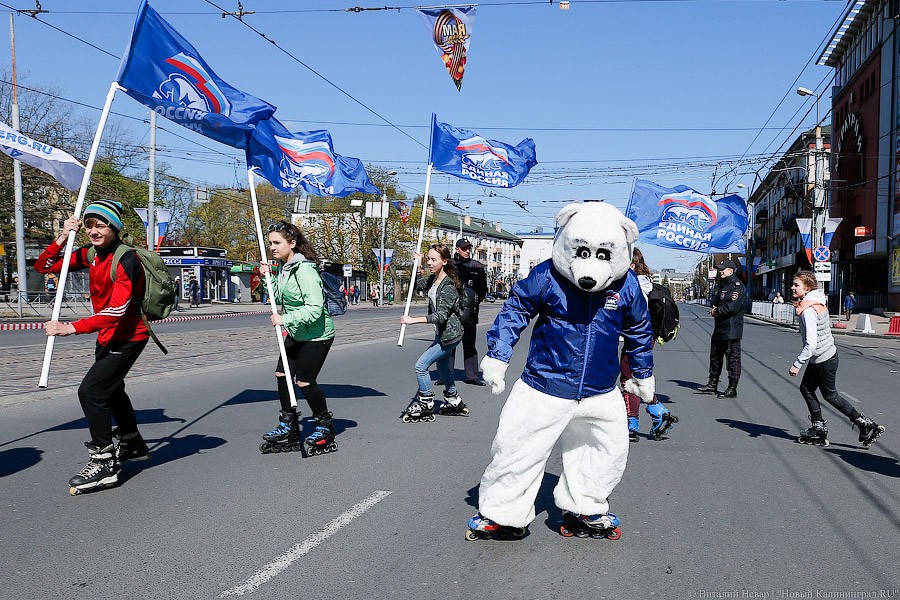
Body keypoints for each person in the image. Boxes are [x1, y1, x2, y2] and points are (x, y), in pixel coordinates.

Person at [35, 200, 152, 494]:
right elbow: (43, 267)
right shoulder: (90, 254)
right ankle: (133, 444)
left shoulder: (127, 260)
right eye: (89, 225)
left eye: (100, 225)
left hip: (129, 336)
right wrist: (63, 237)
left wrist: (71, 327)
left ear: (115, 227)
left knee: (91, 392)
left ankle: (103, 462)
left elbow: (117, 310)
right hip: (107, 337)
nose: (93, 231)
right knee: (112, 390)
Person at [258, 220, 338, 455]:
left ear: (292, 243)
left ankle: (324, 426)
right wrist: (267, 278)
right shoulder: (284, 267)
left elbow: (315, 309)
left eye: (277, 243)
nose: (272, 247)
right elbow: (279, 296)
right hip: (297, 331)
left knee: (304, 381)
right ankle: (289, 425)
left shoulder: (304, 270)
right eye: (270, 243)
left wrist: (285, 319)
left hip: (318, 334)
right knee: (282, 374)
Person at [789, 271, 884, 448]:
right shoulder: (817, 300)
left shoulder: (808, 310)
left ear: (807, 288)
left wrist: (797, 363)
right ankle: (819, 425)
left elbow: (811, 343)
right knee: (807, 388)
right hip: (825, 354)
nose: (792, 287)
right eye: (793, 284)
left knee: (830, 395)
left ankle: (863, 423)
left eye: (796, 285)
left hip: (823, 358)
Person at [399, 244, 468, 422]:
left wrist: (413, 320)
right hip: (442, 334)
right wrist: (418, 266)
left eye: (433, 260)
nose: (430, 262)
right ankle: (453, 399)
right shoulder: (433, 279)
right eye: (428, 259)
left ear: (444, 261)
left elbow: (441, 316)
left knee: (421, 366)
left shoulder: (448, 285)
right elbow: (418, 285)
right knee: (443, 368)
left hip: (450, 335)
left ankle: (426, 401)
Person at [620, 248, 677, 441]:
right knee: (637, 378)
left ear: (631, 265)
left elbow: (631, 315)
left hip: (637, 339)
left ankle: (633, 423)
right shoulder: (644, 283)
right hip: (642, 338)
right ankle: (656, 413)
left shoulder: (635, 285)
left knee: (629, 380)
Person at [696, 259, 746, 398]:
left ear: (731, 271)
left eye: (723, 269)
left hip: (731, 329)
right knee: (715, 356)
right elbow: (716, 301)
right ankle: (712, 383)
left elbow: (731, 307)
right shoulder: (722, 285)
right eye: (719, 269)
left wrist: (717, 311)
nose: (720, 271)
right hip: (719, 327)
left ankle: (732, 388)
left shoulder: (737, 287)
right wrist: (715, 308)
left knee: (732, 359)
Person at [452, 238, 488, 386]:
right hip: (452, 313)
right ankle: (446, 375)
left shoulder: (477, 266)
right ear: (457, 249)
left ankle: (472, 376)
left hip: (470, 313)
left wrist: (473, 303)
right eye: (464, 248)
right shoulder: (450, 265)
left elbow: (482, 289)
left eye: (468, 248)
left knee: (469, 345)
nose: (467, 251)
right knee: (449, 345)